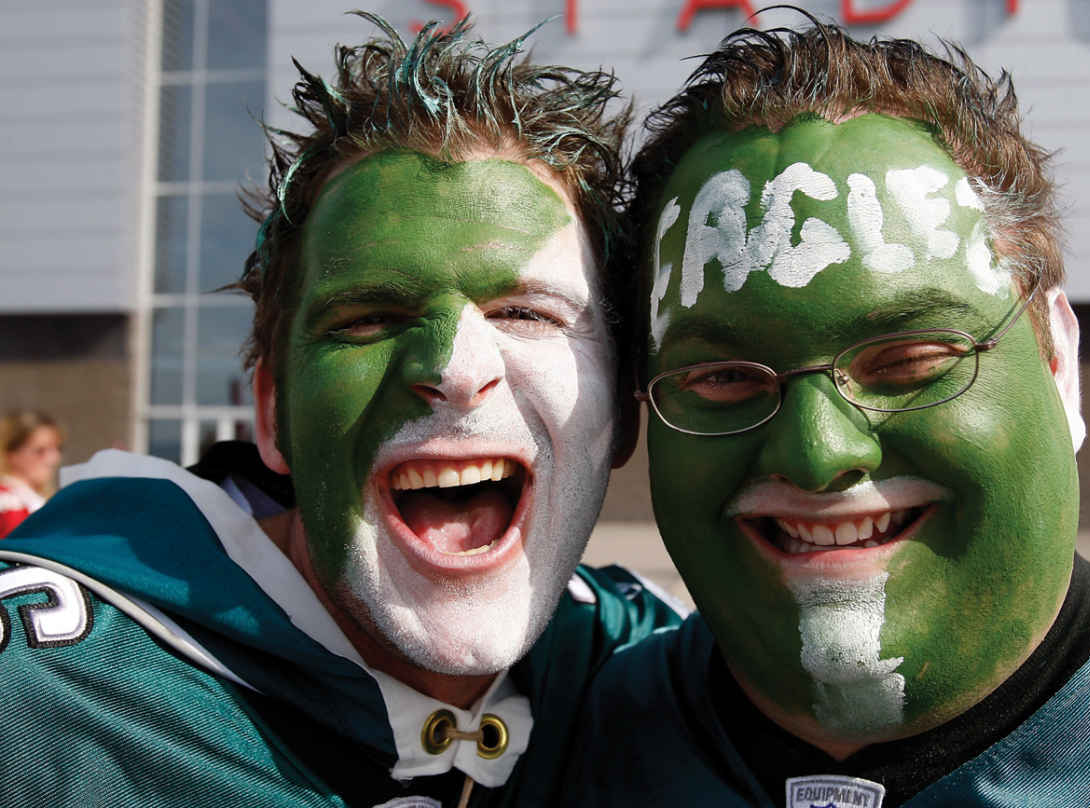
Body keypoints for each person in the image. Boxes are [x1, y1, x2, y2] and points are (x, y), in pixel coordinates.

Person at [0, 15, 681, 807]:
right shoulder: (43, 695)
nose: (456, 372)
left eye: (526, 313)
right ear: (275, 414)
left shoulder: (650, 672)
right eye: (369, 318)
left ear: (626, 414)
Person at [568, 18, 1090, 807]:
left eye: (910, 362)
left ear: (1058, 365)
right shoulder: (566, 744)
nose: (815, 453)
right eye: (726, 375)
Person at [0, 410, 63, 538]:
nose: (54, 459)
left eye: (57, 449)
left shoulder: (32, 500)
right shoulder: (9, 505)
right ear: (11, 453)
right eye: (40, 451)